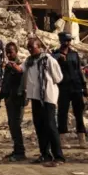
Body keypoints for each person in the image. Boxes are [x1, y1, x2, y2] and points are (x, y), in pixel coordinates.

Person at [23, 37, 65, 166]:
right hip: (35, 98)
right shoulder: (29, 61)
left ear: (39, 47)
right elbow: (21, 70)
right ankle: (45, 154)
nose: (30, 49)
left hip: (48, 97)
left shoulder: (49, 60)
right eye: (28, 47)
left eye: (32, 47)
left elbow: (58, 78)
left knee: (51, 126)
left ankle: (59, 157)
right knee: (39, 126)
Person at [53, 32, 88, 148]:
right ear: (61, 41)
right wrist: (58, 59)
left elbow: (79, 71)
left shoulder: (74, 54)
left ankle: (81, 137)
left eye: (69, 41)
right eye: (65, 41)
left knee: (78, 112)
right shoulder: (55, 55)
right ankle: (62, 138)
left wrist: (84, 86)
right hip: (63, 88)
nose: (68, 43)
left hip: (76, 87)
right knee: (62, 112)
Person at [0, 42, 27, 161]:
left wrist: (16, 68)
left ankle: (20, 152)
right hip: (9, 99)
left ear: (16, 52)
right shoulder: (8, 66)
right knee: (12, 126)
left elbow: (22, 80)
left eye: (11, 52)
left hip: (18, 99)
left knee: (16, 125)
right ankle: (16, 150)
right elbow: (5, 85)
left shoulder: (21, 66)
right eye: (6, 52)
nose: (8, 54)